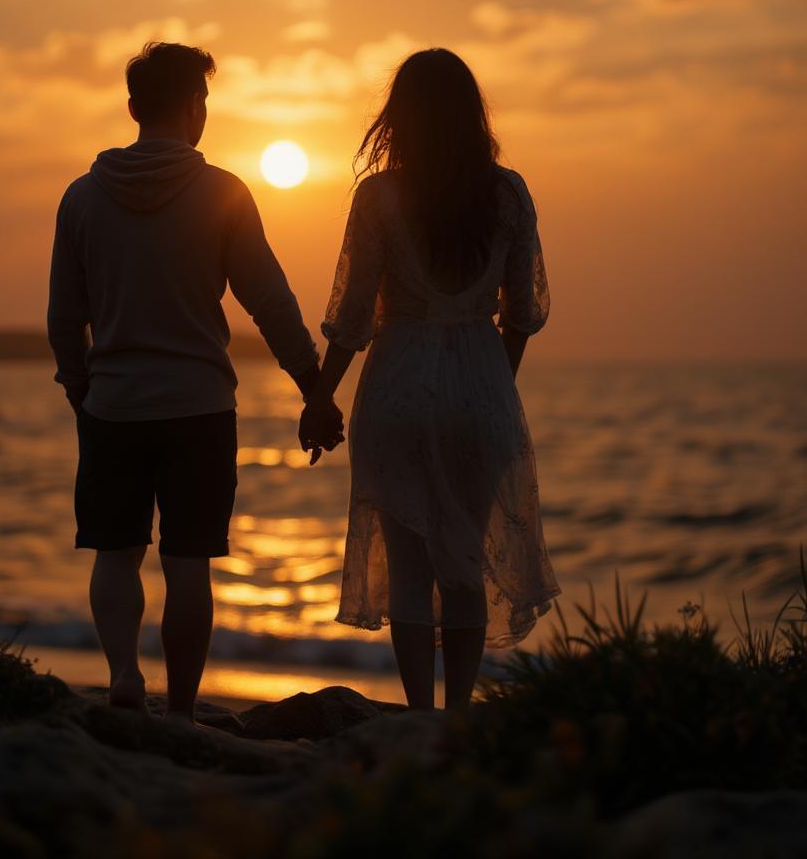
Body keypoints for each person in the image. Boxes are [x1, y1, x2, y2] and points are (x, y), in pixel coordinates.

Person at [48, 42, 343, 722]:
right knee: (188, 565)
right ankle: (181, 710)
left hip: (114, 403)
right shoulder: (223, 193)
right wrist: (313, 387)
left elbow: (65, 318)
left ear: (132, 109)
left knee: (115, 553)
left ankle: (124, 674)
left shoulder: (82, 198)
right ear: (193, 106)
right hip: (200, 408)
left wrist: (79, 389)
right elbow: (269, 301)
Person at [299, 48, 560, 710]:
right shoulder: (508, 193)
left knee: (411, 567)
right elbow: (525, 314)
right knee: (465, 561)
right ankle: (457, 716)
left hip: (397, 385)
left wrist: (321, 394)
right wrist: (495, 383)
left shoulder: (380, 196)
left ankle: (419, 717)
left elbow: (353, 319)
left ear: (399, 118)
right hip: (480, 383)